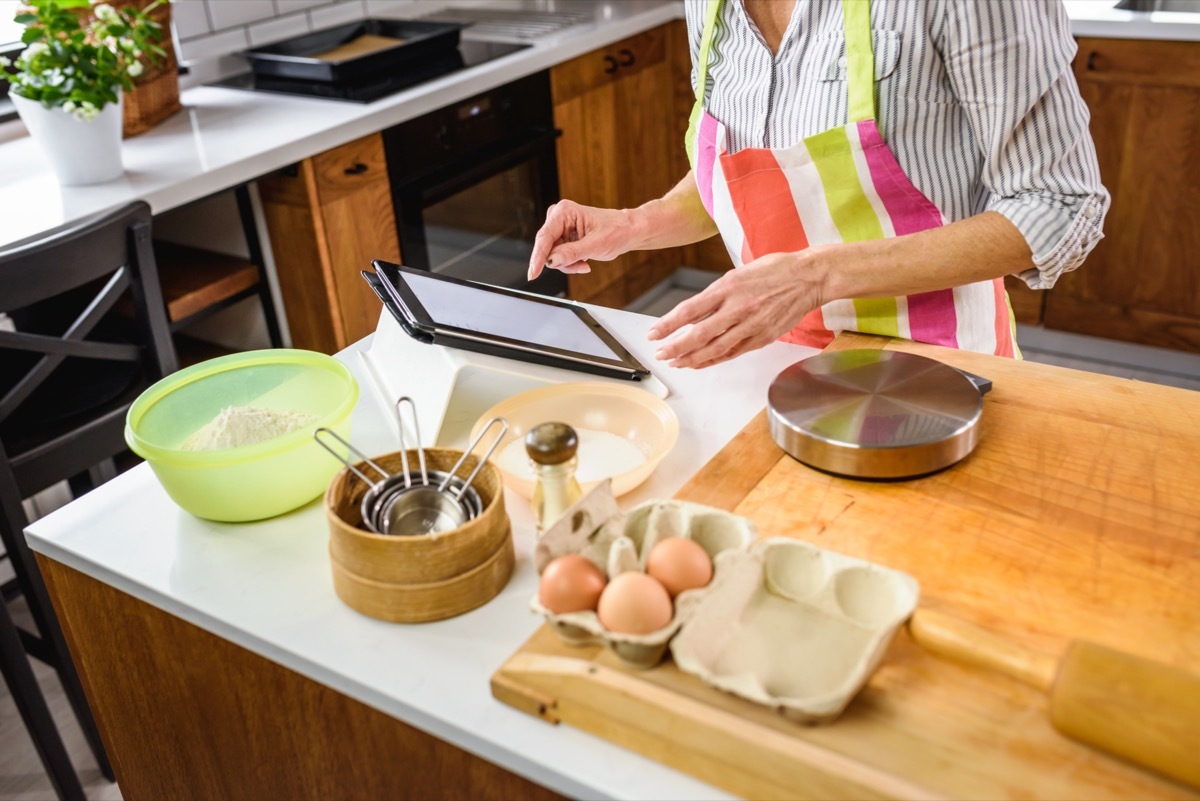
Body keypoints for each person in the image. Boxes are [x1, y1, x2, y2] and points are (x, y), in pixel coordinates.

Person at [527, 0, 1109, 369]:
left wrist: (815, 277)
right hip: (773, 363)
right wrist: (634, 224)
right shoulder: (708, 7)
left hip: (940, 370)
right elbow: (740, 174)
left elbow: (1060, 205)